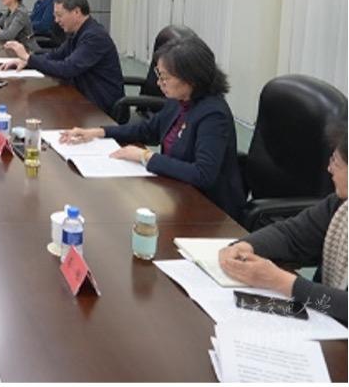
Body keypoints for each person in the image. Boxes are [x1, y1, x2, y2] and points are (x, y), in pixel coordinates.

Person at [61, 36, 246, 221]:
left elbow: (202, 174)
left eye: (165, 78)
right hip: (176, 192)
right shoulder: (180, 100)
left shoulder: (213, 115)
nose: (159, 83)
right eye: (159, 75)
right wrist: (99, 132)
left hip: (209, 211)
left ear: (190, 79)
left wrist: (145, 156)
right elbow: (148, 130)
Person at [218, 115, 347, 325]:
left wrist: (282, 282)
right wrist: (245, 246)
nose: (329, 168)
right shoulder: (341, 205)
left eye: (336, 163)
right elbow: (292, 234)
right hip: (325, 322)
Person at [3, 0, 123, 115]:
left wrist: (29, 58)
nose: (56, 20)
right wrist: (27, 61)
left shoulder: (94, 36)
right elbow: (56, 55)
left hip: (100, 106)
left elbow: (67, 69)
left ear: (76, 12)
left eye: (59, 15)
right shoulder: (78, 32)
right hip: (82, 95)